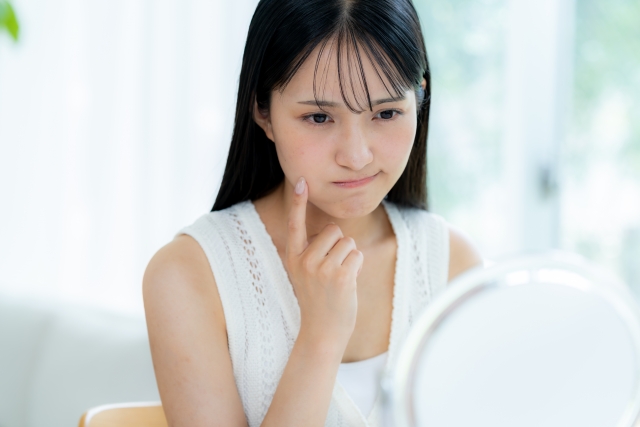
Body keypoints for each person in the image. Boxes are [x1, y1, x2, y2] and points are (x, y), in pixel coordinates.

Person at [143, 0, 482, 425]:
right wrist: (321, 336)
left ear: (419, 99)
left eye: (386, 113)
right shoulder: (191, 274)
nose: (356, 156)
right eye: (319, 117)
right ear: (263, 112)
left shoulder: (453, 266)